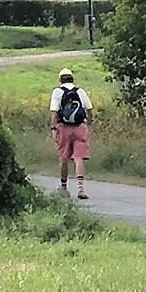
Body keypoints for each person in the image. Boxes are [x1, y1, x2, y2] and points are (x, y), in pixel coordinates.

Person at [48, 69, 93, 199]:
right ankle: (81, 189)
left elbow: (54, 112)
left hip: (64, 128)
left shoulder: (57, 92)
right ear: (72, 79)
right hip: (80, 127)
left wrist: (53, 128)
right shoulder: (80, 91)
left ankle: (64, 187)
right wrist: (87, 123)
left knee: (63, 158)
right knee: (79, 158)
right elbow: (89, 110)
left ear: (60, 80)